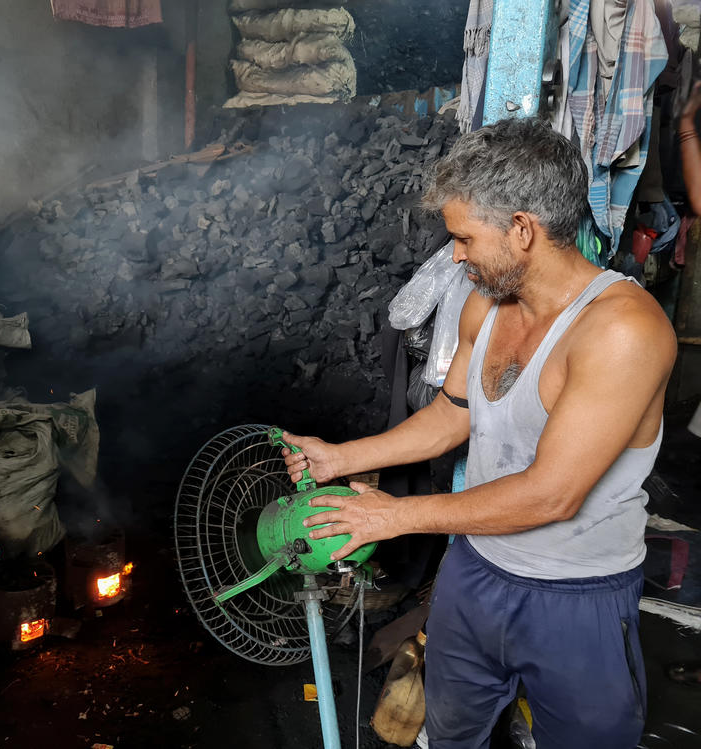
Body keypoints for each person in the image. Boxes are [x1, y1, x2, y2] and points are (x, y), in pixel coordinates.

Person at [282, 117, 677, 748]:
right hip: (474, 569)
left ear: (522, 228)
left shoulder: (621, 330)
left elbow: (552, 495)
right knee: (452, 732)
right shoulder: (485, 305)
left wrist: (392, 517)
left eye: (465, 238)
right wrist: (337, 459)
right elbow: (451, 417)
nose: (456, 255)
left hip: (575, 594)